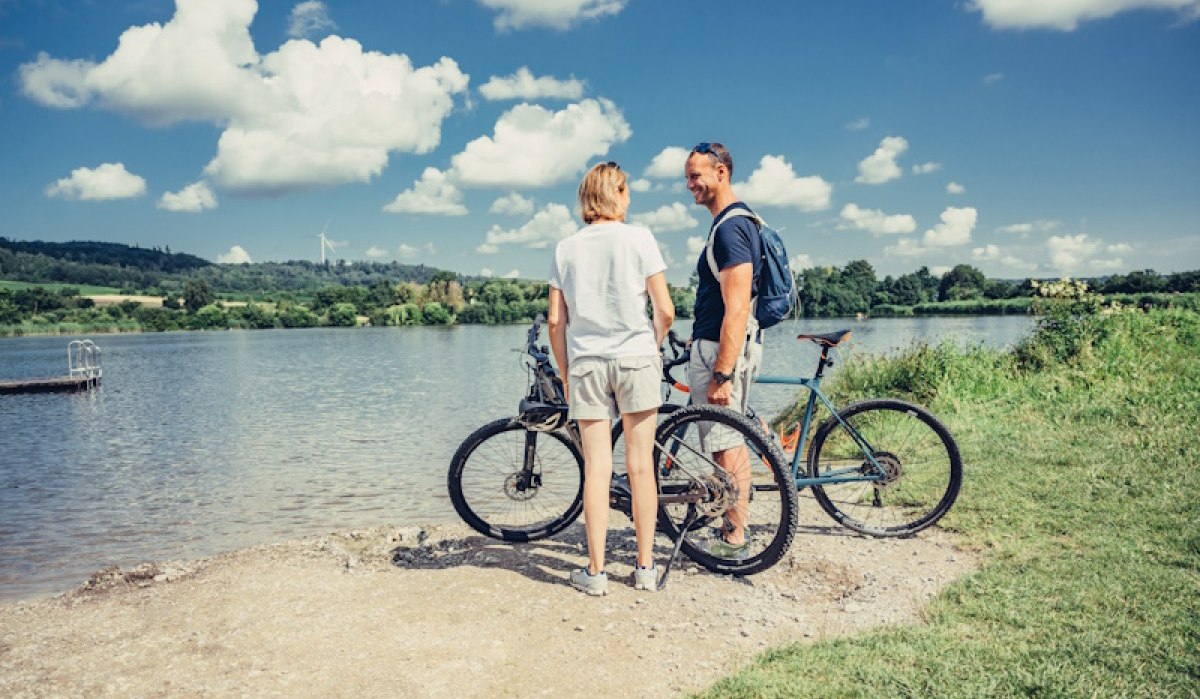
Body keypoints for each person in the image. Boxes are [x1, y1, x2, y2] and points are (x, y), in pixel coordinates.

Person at [547, 161, 675, 596]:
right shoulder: (640, 238)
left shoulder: (566, 248)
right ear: (616, 193)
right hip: (636, 358)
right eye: (627, 191)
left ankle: (597, 573)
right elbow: (666, 310)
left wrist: (566, 373)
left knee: (597, 469)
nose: (630, 199)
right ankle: (644, 569)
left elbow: (554, 322)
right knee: (641, 468)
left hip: (586, 363)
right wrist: (650, 348)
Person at [683, 141, 763, 560]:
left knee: (725, 443)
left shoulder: (731, 228)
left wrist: (721, 373)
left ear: (721, 172)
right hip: (716, 344)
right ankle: (735, 528)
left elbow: (736, 307)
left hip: (721, 350)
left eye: (696, 175)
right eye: (688, 178)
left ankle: (734, 538)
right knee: (730, 440)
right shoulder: (735, 223)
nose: (691, 185)